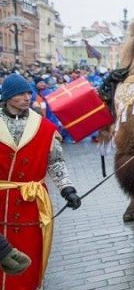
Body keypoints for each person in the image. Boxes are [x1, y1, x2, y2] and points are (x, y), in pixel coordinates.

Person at [0, 73, 81, 289]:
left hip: (33, 204)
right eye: (20, 93)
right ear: (7, 97)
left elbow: (55, 162)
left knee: (30, 256)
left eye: (29, 92)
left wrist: (67, 188)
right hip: (0, 201)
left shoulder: (44, 127)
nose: (27, 97)